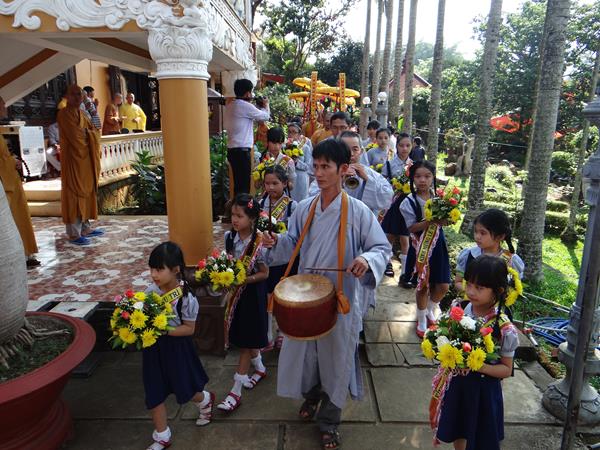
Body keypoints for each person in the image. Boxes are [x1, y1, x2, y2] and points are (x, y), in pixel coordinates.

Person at [262, 139, 391, 450]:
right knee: (305, 353)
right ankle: (311, 396)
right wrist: (274, 243)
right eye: (316, 166)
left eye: (326, 167)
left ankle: (330, 420)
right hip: (306, 293)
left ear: (343, 169)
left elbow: (381, 247)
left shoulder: (358, 211)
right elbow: (291, 243)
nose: (318, 173)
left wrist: (366, 260)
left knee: (337, 356)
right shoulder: (305, 208)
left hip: (341, 295)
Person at [435, 255, 518, 450]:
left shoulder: (504, 329)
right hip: (457, 385)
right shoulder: (459, 308)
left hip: (483, 392)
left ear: (498, 291)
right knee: (458, 428)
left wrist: (477, 365)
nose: (470, 291)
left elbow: (506, 370)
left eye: (479, 287)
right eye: (469, 284)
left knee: (479, 435)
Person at [144, 242, 214, 450]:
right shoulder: (150, 292)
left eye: (159, 269)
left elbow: (189, 329)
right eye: (152, 269)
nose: (153, 274)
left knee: (185, 387)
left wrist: (164, 330)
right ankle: (162, 436)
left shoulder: (186, 298)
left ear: (175, 269)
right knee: (154, 390)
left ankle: (204, 400)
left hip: (176, 348)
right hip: (153, 349)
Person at [218, 194, 270, 412]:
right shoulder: (229, 237)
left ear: (252, 218)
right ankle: (260, 368)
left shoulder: (259, 242)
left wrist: (244, 280)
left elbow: (265, 273)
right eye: (233, 215)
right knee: (246, 335)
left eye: (240, 216)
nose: (235, 219)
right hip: (237, 294)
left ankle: (235, 392)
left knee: (247, 342)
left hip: (253, 295)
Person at [400, 161, 450, 337]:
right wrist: (431, 221)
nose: (423, 180)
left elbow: (445, 222)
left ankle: (429, 309)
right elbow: (411, 227)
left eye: (427, 176)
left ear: (433, 178)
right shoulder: (408, 202)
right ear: (412, 178)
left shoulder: (440, 198)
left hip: (438, 245)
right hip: (419, 247)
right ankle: (421, 318)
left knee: (443, 285)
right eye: (418, 176)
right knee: (423, 284)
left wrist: (447, 219)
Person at [57, 84, 104, 245]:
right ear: (67, 96)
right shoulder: (64, 114)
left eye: (80, 94)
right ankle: (74, 234)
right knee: (74, 195)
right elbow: (76, 137)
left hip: (86, 161)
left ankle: (85, 228)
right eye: (74, 94)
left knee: (87, 193)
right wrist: (90, 135)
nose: (78, 97)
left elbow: (94, 129)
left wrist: (89, 134)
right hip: (73, 161)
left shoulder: (82, 113)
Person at [0, 97, 40, 268]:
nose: (5, 107)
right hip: (5, 185)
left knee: (20, 218)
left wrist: (12, 160)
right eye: (2, 104)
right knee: (12, 222)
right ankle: (19, 257)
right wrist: (11, 161)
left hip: (11, 181)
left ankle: (26, 253)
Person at [260, 165, 297, 348]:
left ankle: (282, 330)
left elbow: (296, 234)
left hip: (285, 258)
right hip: (264, 259)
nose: (271, 187)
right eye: (267, 183)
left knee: (284, 296)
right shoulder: (259, 204)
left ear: (284, 183)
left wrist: (278, 238)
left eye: (275, 183)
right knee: (266, 296)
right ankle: (267, 333)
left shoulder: (292, 206)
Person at [455, 209, 524, 294]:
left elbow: (515, 288)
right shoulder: (469, 254)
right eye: (476, 231)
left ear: (500, 236)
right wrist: (472, 292)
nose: (477, 236)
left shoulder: (511, 259)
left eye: (483, 233)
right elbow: (458, 282)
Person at [223, 79, 270, 196]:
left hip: (232, 150)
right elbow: (265, 116)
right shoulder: (245, 106)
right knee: (244, 187)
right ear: (248, 93)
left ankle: (236, 206)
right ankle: (242, 207)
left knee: (238, 185)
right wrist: (266, 104)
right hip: (242, 152)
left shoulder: (230, 105)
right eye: (251, 92)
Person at [380, 133, 413, 280]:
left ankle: (405, 272)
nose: (404, 148)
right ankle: (387, 264)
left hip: (408, 206)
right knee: (389, 236)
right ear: (396, 146)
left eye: (408, 145)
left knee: (405, 238)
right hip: (392, 205)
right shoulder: (388, 164)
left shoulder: (414, 165)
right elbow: (383, 184)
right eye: (401, 145)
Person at [260, 127, 296, 193]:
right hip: (265, 196)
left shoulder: (288, 161)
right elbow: (256, 185)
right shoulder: (261, 159)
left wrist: (284, 182)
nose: (277, 146)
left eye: (280, 143)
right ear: (267, 141)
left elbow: (292, 186)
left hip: (282, 197)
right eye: (274, 143)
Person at [286, 122, 312, 202]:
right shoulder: (284, 147)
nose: (291, 134)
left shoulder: (305, 148)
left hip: (301, 179)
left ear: (299, 134)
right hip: (288, 179)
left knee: (301, 202)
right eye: (289, 132)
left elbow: (308, 166)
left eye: (294, 132)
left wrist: (297, 162)